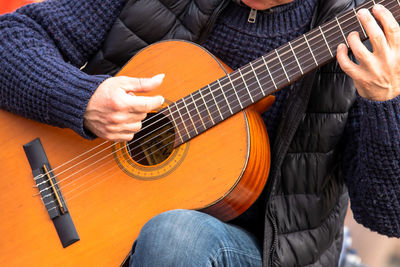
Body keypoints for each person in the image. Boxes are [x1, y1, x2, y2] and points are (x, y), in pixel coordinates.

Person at [0, 0, 399, 266]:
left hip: (268, 251)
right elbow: (10, 39)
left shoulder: (365, 36)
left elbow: (387, 214)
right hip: (93, 212)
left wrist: (386, 100)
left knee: (175, 237)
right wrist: (83, 99)